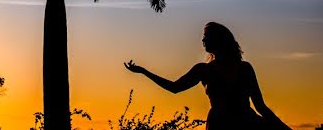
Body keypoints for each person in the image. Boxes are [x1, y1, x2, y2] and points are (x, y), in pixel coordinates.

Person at [124, 22, 291, 130]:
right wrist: (144, 72)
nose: (203, 41)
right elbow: (174, 88)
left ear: (220, 40)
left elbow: (260, 106)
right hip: (219, 125)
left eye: (206, 38)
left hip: (246, 123)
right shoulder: (203, 70)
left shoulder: (245, 68)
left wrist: (282, 128)